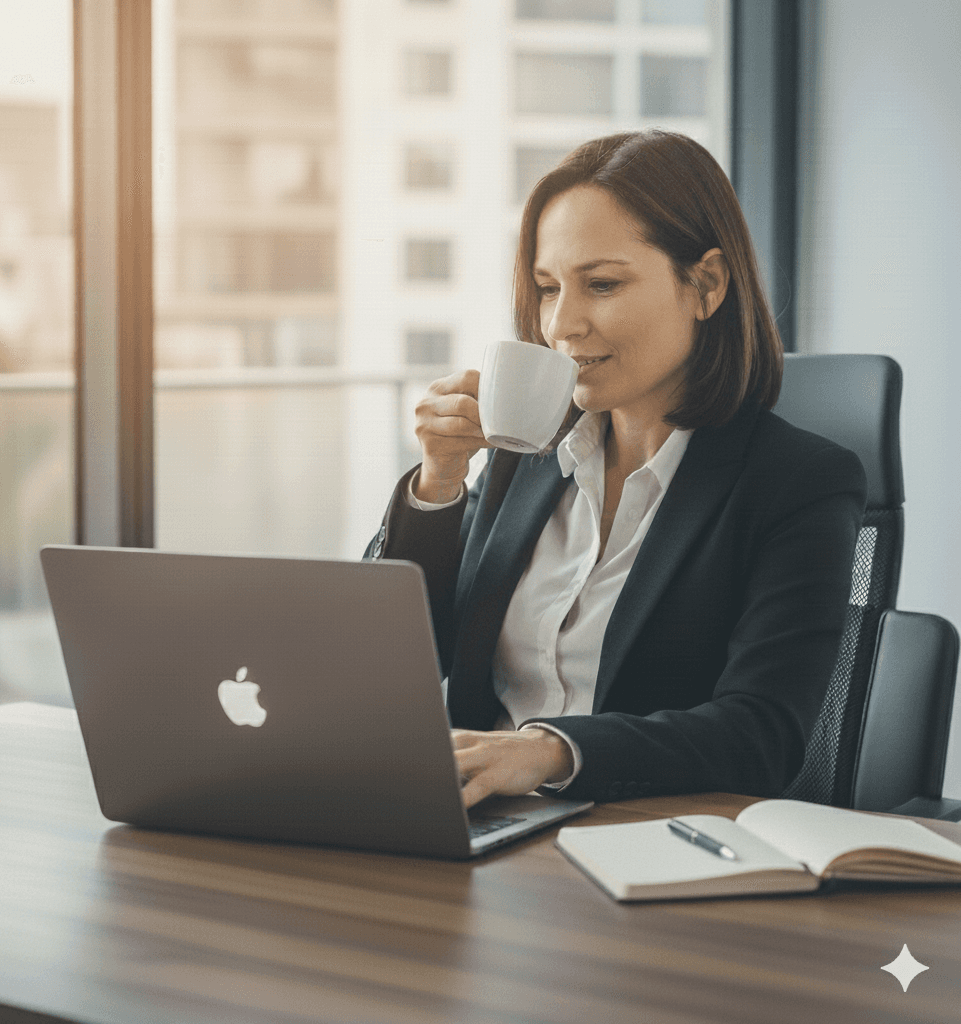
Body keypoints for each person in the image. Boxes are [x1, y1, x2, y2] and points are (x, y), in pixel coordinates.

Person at [364, 130, 865, 810]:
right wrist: (438, 482)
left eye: (601, 284)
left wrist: (548, 752)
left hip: (637, 838)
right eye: (547, 288)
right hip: (476, 821)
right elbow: (398, 657)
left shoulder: (798, 483)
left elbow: (761, 736)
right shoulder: (525, 457)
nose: (561, 325)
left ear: (706, 284)